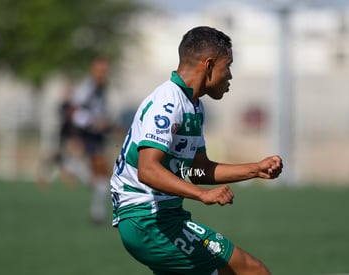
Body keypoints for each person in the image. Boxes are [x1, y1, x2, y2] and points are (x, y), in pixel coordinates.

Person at [110, 26, 283, 274]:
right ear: (209, 65)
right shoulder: (167, 103)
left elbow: (198, 169)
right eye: (228, 65)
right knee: (251, 271)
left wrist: (255, 169)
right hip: (148, 220)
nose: (230, 76)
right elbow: (147, 170)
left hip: (163, 218)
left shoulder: (193, 106)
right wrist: (202, 194)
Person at [71, 56, 113, 224]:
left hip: (98, 136)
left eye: (105, 70)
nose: (103, 73)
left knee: (102, 177)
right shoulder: (87, 88)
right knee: (101, 177)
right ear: (93, 70)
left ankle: (98, 214)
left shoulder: (102, 88)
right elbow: (75, 113)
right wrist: (93, 122)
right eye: (100, 70)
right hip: (87, 136)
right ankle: (98, 214)